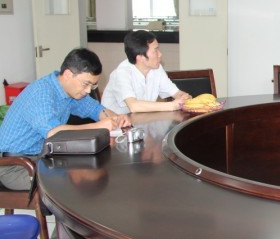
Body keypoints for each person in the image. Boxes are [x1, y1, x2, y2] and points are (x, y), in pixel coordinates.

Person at [0, 48, 130, 190]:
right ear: (68, 74)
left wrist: (115, 118)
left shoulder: (70, 91)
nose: (88, 90)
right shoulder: (42, 93)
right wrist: (100, 125)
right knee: (74, 181)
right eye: (86, 84)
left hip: (42, 157)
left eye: (93, 85)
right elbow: (53, 133)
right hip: (15, 166)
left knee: (92, 168)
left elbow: (97, 110)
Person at [101, 30, 192, 114]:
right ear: (141, 57)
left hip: (140, 119)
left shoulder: (156, 68)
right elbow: (134, 106)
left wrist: (183, 97)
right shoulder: (122, 73)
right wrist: (172, 105)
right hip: (115, 123)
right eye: (155, 50)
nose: (160, 54)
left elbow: (175, 92)